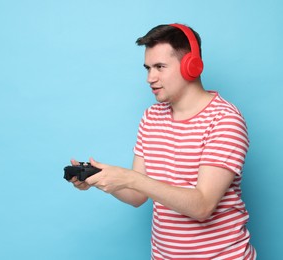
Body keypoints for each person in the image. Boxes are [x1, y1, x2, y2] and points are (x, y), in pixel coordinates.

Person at [69, 23, 256, 259]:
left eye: (159, 67)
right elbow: (138, 195)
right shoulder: (151, 117)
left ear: (192, 66)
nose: (150, 78)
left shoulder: (225, 120)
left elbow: (202, 206)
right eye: (147, 68)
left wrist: (130, 178)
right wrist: (102, 179)